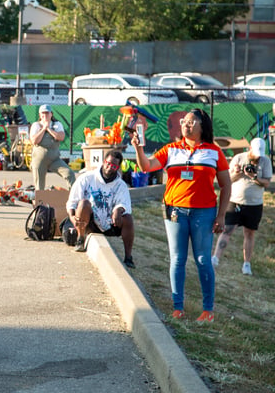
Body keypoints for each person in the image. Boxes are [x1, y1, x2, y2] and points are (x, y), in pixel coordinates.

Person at [131, 108, 231, 323]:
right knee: (177, 259)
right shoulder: (171, 149)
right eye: (184, 121)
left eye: (191, 122)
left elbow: (226, 185)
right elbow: (147, 166)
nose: (186, 125)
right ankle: (178, 309)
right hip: (175, 210)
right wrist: (139, 148)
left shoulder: (214, 151)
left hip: (204, 212)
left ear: (203, 126)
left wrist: (221, 216)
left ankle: (208, 311)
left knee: (203, 259)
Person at [65, 149, 135, 268]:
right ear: (103, 162)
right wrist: (72, 216)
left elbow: (125, 204)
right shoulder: (87, 178)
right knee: (83, 204)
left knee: (128, 218)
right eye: (108, 163)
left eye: (113, 165)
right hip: (89, 222)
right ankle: (80, 239)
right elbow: (72, 201)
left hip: (110, 223)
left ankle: (128, 257)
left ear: (118, 167)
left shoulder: (120, 185)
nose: (109, 167)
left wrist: (119, 210)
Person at [212, 137, 272, 275]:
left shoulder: (265, 161)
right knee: (227, 230)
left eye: (259, 155)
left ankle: (247, 264)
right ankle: (215, 258)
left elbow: (267, 183)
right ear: (249, 149)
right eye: (255, 154)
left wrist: (254, 177)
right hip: (235, 201)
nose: (257, 158)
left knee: (249, 233)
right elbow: (228, 179)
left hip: (254, 203)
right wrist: (236, 173)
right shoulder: (239, 158)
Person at [29, 104, 75, 191]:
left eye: (47, 113)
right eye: (43, 113)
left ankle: (73, 196)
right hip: (39, 160)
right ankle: (40, 202)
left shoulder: (57, 125)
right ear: (40, 115)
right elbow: (34, 141)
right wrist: (43, 129)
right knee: (39, 185)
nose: (45, 115)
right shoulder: (36, 125)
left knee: (69, 174)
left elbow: (61, 137)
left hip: (54, 159)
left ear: (51, 114)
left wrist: (49, 129)